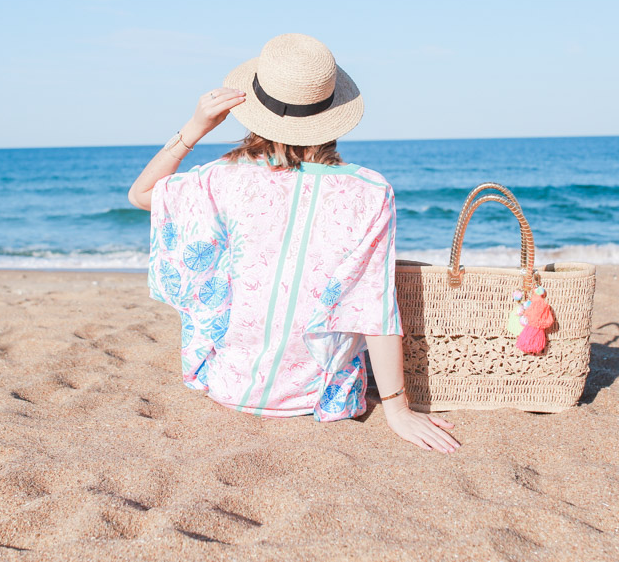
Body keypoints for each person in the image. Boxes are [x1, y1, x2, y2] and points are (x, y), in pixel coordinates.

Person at [127, 33, 459, 453]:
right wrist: (397, 409)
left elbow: (140, 196)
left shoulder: (221, 179)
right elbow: (372, 304)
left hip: (229, 386)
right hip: (318, 397)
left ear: (251, 106)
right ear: (331, 111)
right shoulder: (369, 191)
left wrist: (195, 128)